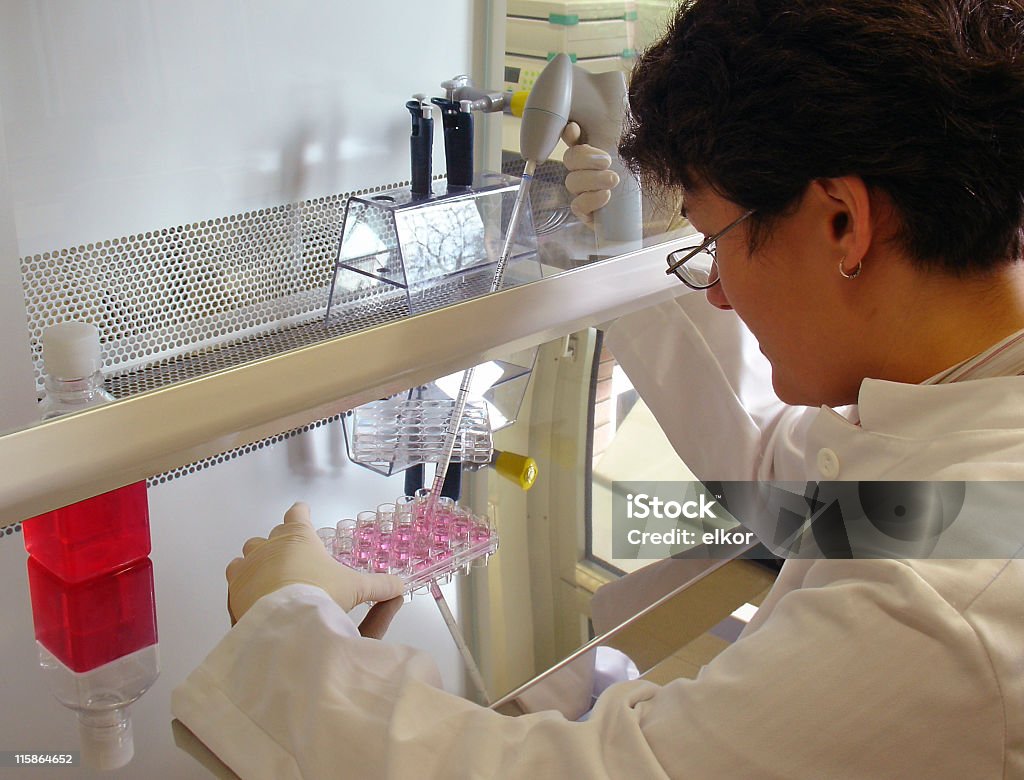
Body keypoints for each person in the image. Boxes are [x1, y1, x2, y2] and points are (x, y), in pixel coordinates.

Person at [172, 1, 1024, 776]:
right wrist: (639, 241)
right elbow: (793, 482)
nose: (718, 292)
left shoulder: (934, 603)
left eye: (715, 240)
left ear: (844, 220)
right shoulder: (971, 411)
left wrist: (288, 624)